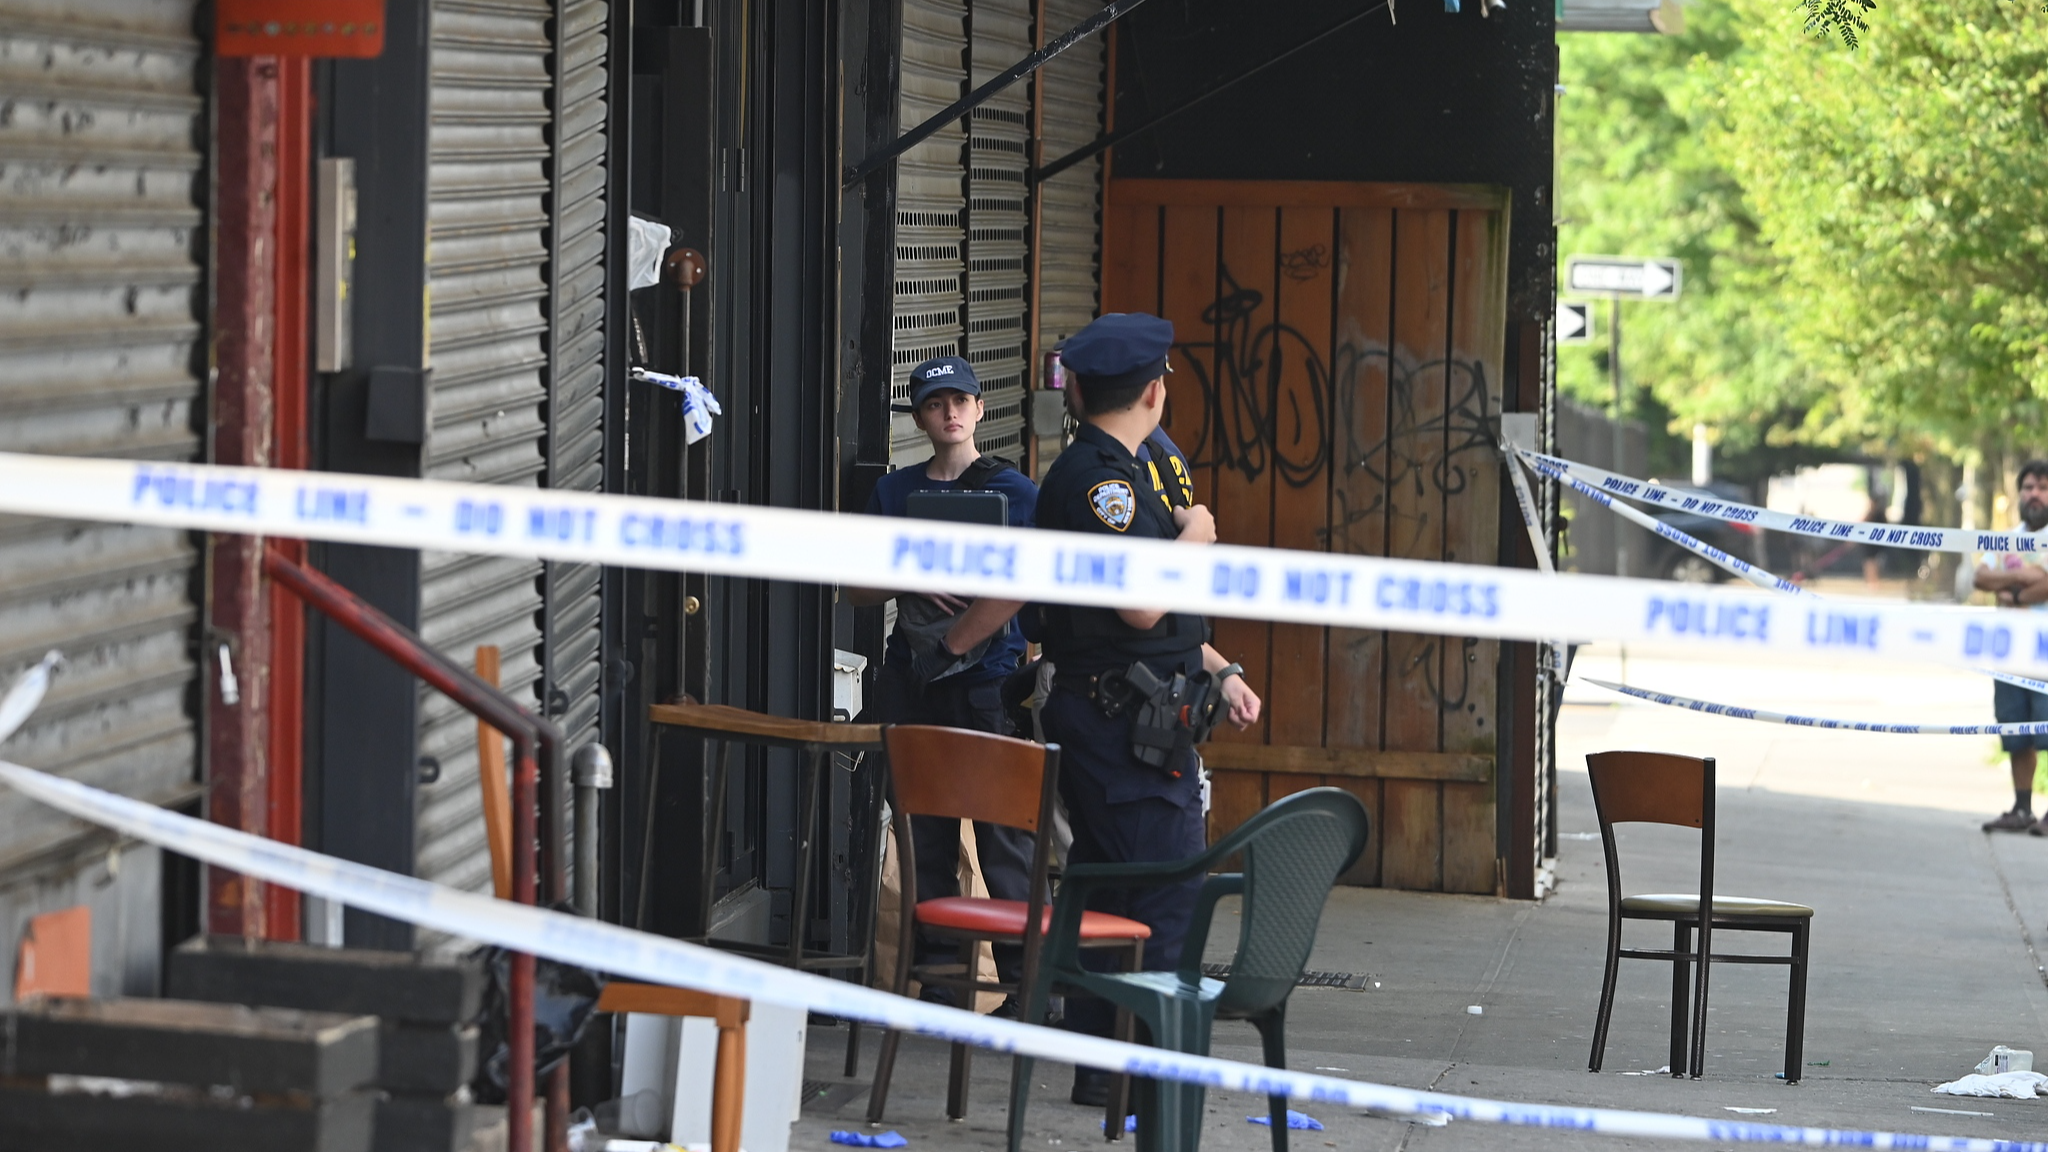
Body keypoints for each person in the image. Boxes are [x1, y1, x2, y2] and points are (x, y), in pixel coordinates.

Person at [1034, 313, 1262, 1106]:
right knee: (1167, 895)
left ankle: (1110, 1076)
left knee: (1108, 893)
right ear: (1154, 392)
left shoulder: (1132, 471)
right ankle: (1160, 1087)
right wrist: (1195, 535)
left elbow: (1156, 629)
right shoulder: (1101, 484)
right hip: (1119, 728)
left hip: (1128, 714)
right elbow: (1138, 606)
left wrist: (1221, 670)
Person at [845, 355, 1040, 1008]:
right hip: (913, 679)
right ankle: (937, 983)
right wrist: (911, 569)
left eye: (960, 400)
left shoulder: (1016, 491)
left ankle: (1026, 988)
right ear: (918, 418)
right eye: (935, 403)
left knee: (1003, 837)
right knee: (923, 834)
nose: (950, 412)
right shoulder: (894, 492)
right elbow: (856, 589)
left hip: (989, 683)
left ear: (981, 408)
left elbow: (1033, 581)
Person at [1975, 460, 2048, 835]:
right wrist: (2027, 577)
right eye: (2029, 487)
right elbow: (1980, 576)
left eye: (2043, 488)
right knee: (2016, 730)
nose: (2034, 494)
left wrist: (2011, 592)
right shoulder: (2006, 538)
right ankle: (2022, 809)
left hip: (2044, 653)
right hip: (2008, 652)